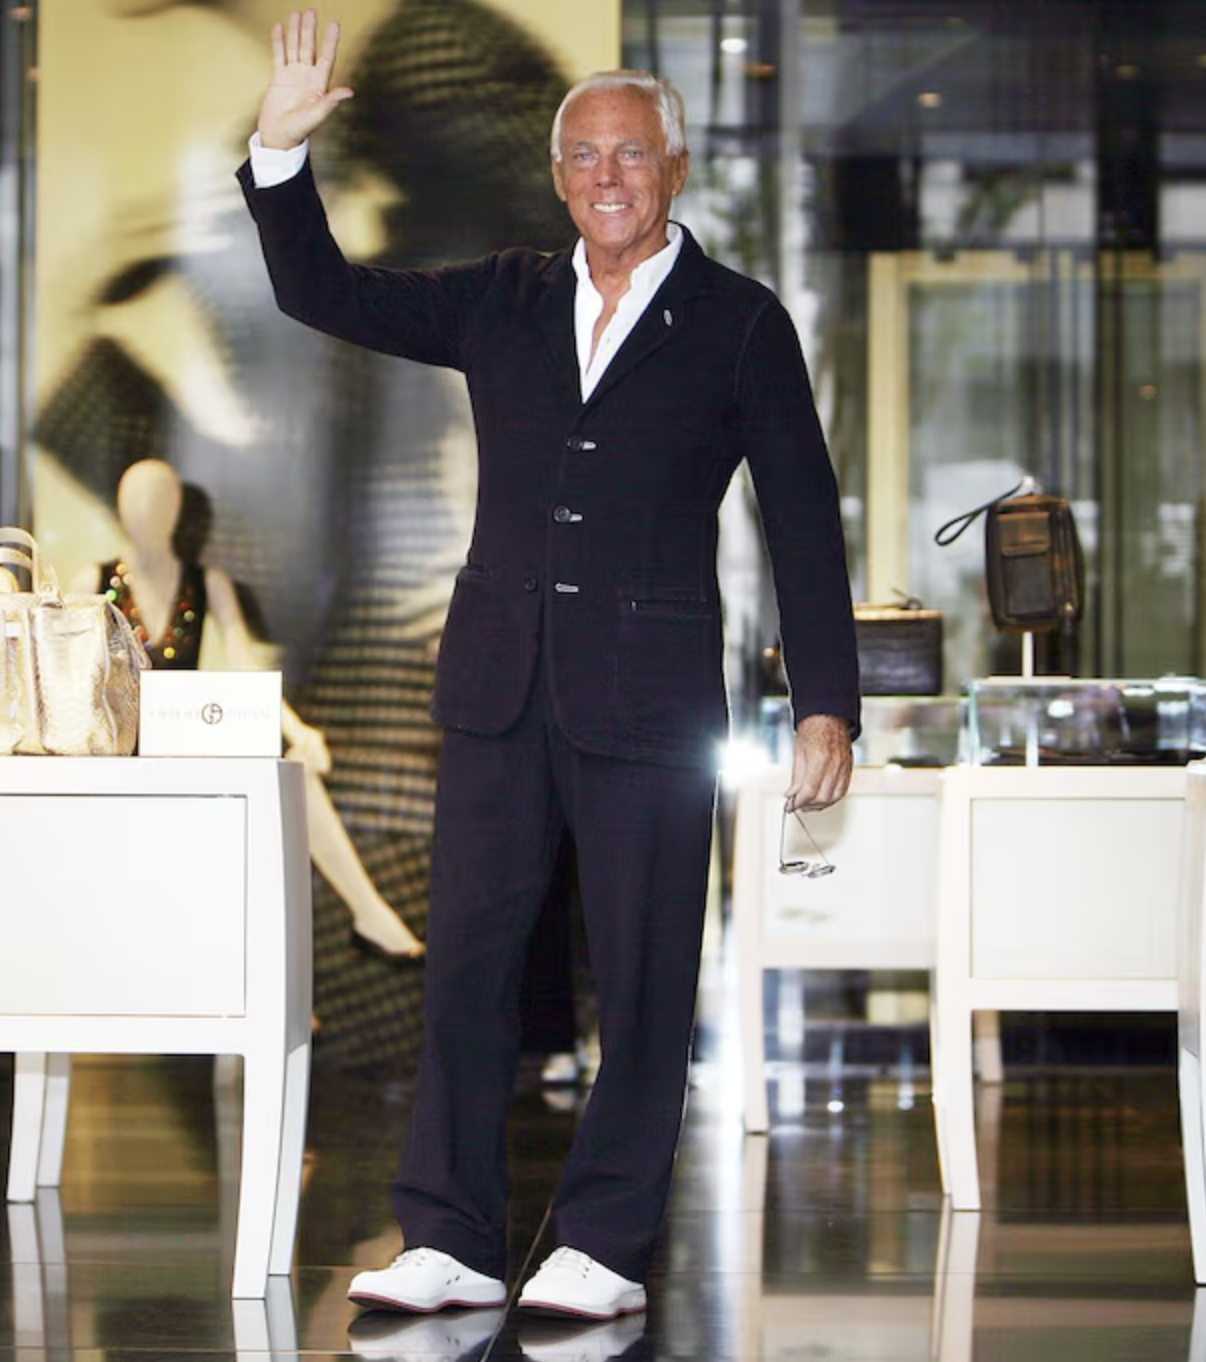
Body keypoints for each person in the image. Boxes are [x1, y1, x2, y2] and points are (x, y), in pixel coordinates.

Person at [240, 10, 859, 1320]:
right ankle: (451, 1236)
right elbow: (324, 293)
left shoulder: (741, 322)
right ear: (558, 175)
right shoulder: (504, 295)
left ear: (674, 167)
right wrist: (281, 159)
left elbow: (802, 519)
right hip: (498, 687)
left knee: (641, 977)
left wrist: (827, 704)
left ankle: (607, 1245)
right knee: (466, 967)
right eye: (584, 156)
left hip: (650, 700)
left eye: (630, 154)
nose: (606, 176)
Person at [81, 458, 425, 959]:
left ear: (176, 510)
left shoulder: (205, 582)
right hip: (121, 749)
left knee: (295, 773)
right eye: (137, 501)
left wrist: (297, 729)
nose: (147, 514)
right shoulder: (93, 581)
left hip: (184, 739)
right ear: (120, 507)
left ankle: (365, 912)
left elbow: (248, 669)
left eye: (159, 502)